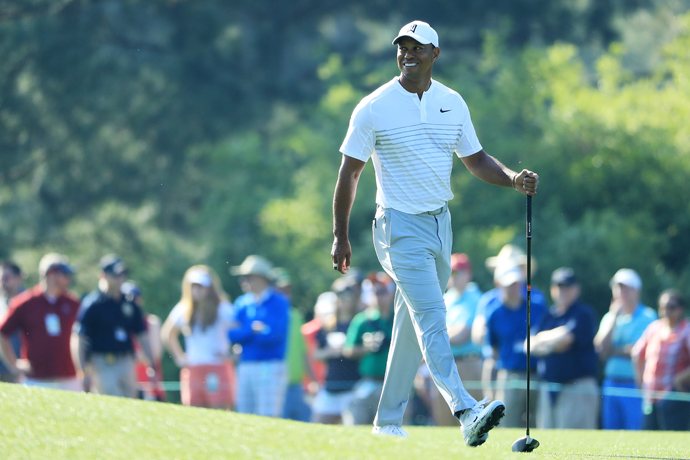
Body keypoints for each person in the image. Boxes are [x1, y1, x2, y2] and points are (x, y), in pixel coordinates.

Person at [331, 20, 539, 444]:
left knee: (412, 323)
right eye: (402, 47)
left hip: (440, 224)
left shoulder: (452, 102)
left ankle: (386, 422)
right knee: (432, 317)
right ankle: (466, 409)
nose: (408, 53)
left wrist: (513, 178)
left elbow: (477, 160)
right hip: (397, 227)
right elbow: (350, 174)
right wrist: (340, 234)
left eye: (418, 47)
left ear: (434, 55)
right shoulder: (374, 106)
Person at [74, 255, 156, 397]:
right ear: (103, 275)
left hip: (126, 361)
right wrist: (82, 371)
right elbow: (79, 338)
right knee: (112, 400)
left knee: (131, 402)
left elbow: (142, 335)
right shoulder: (93, 305)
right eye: (116, 275)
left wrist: (151, 365)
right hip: (101, 363)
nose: (120, 278)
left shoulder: (129, 303)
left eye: (122, 274)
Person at [529, 268, 599, 429]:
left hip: (576, 388)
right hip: (550, 388)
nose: (563, 291)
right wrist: (552, 344)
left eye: (568, 286)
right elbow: (530, 345)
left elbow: (566, 338)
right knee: (548, 445)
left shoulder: (583, 313)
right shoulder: (549, 315)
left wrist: (543, 341)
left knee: (576, 446)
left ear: (577, 289)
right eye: (559, 286)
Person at [0, 253, 81, 391]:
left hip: (69, 377)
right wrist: (14, 364)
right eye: (64, 275)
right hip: (36, 378)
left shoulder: (72, 303)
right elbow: (2, 333)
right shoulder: (25, 302)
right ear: (51, 275)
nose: (68, 280)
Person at [161, 266, 235, 409]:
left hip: (217, 367)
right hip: (193, 368)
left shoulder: (223, 308)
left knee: (220, 413)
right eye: (193, 286)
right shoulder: (183, 308)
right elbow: (167, 333)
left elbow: (243, 332)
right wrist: (179, 357)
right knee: (194, 411)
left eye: (200, 286)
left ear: (209, 287)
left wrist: (234, 354)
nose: (196, 290)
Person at [484, 262, 546, 428]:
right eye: (510, 285)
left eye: (517, 284)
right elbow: (494, 349)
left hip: (535, 373)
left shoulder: (537, 307)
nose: (514, 288)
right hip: (509, 374)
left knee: (538, 424)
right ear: (501, 285)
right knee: (507, 423)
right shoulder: (494, 314)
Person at [595, 268, 657, 430]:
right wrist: (614, 317)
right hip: (611, 383)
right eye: (618, 288)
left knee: (635, 434)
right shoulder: (609, 317)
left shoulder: (648, 317)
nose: (622, 293)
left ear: (636, 291)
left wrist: (612, 351)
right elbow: (600, 349)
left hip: (635, 385)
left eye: (626, 288)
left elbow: (637, 351)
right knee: (611, 435)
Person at [229, 255, 290, 417]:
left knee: (268, 417)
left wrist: (246, 335)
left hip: (270, 365)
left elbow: (273, 336)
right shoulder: (241, 303)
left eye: (247, 277)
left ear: (261, 278)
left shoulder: (279, 302)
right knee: (244, 415)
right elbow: (231, 334)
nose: (243, 280)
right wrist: (252, 330)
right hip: (245, 365)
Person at [430, 253, 484, 426]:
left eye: (457, 272)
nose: (453, 277)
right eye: (451, 272)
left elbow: (462, 335)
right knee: (445, 421)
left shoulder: (475, 297)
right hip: (445, 363)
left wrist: (440, 334)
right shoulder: (447, 297)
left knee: (473, 419)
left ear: (468, 273)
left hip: (468, 364)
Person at [632, 289, 690, 431]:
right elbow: (637, 353)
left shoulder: (686, 330)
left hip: (674, 394)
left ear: (680, 309)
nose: (666, 311)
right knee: (648, 438)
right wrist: (639, 380)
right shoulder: (654, 328)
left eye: (671, 307)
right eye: (663, 307)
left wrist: (680, 378)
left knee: (672, 440)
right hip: (651, 394)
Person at [342, 272, 395, 425]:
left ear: (390, 293)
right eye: (374, 292)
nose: (378, 296)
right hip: (368, 381)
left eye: (382, 292)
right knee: (356, 425)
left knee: (394, 429)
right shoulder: (362, 320)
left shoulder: (399, 319)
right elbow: (348, 350)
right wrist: (367, 348)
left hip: (393, 383)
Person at [311, 276, 362, 424]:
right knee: (317, 428)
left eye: (347, 296)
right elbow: (316, 354)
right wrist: (329, 352)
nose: (344, 300)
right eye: (340, 296)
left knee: (351, 431)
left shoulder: (359, 322)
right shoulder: (328, 325)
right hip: (331, 386)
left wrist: (349, 350)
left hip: (353, 386)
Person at [272, 267, 313, 422]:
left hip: (297, 386)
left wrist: (313, 381)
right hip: (276, 385)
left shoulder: (296, 315)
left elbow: (303, 352)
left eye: (288, 289)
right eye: (281, 289)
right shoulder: (269, 315)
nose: (285, 293)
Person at [121, 280, 166, 402]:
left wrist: (126, 356)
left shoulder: (151, 322)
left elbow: (156, 354)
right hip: (127, 383)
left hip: (150, 384)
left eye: (135, 298)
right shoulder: (118, 325)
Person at [0, 261, 25, 383]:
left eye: (6, 278)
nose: (3, 283)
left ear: (19, 278)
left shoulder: (29, 303)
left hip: (22, 368)